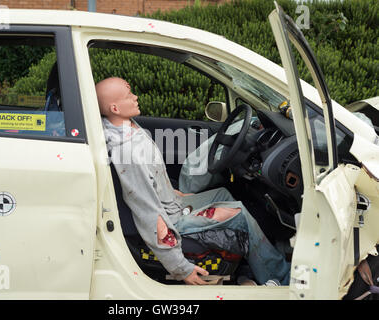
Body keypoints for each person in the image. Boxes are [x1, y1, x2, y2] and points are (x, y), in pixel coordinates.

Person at [96, 77, 290, 285]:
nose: (135, 97)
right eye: (128, 96)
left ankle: (248, 263)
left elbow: (156, 180)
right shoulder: (128, 152)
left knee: (222, 194)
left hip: (173, 205)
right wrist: (181, 268)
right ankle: (279, 277)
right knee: (239, 213)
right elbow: (148, 213)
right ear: (115, 108)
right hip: (172, 221)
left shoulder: (128, 128)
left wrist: (177, 195)